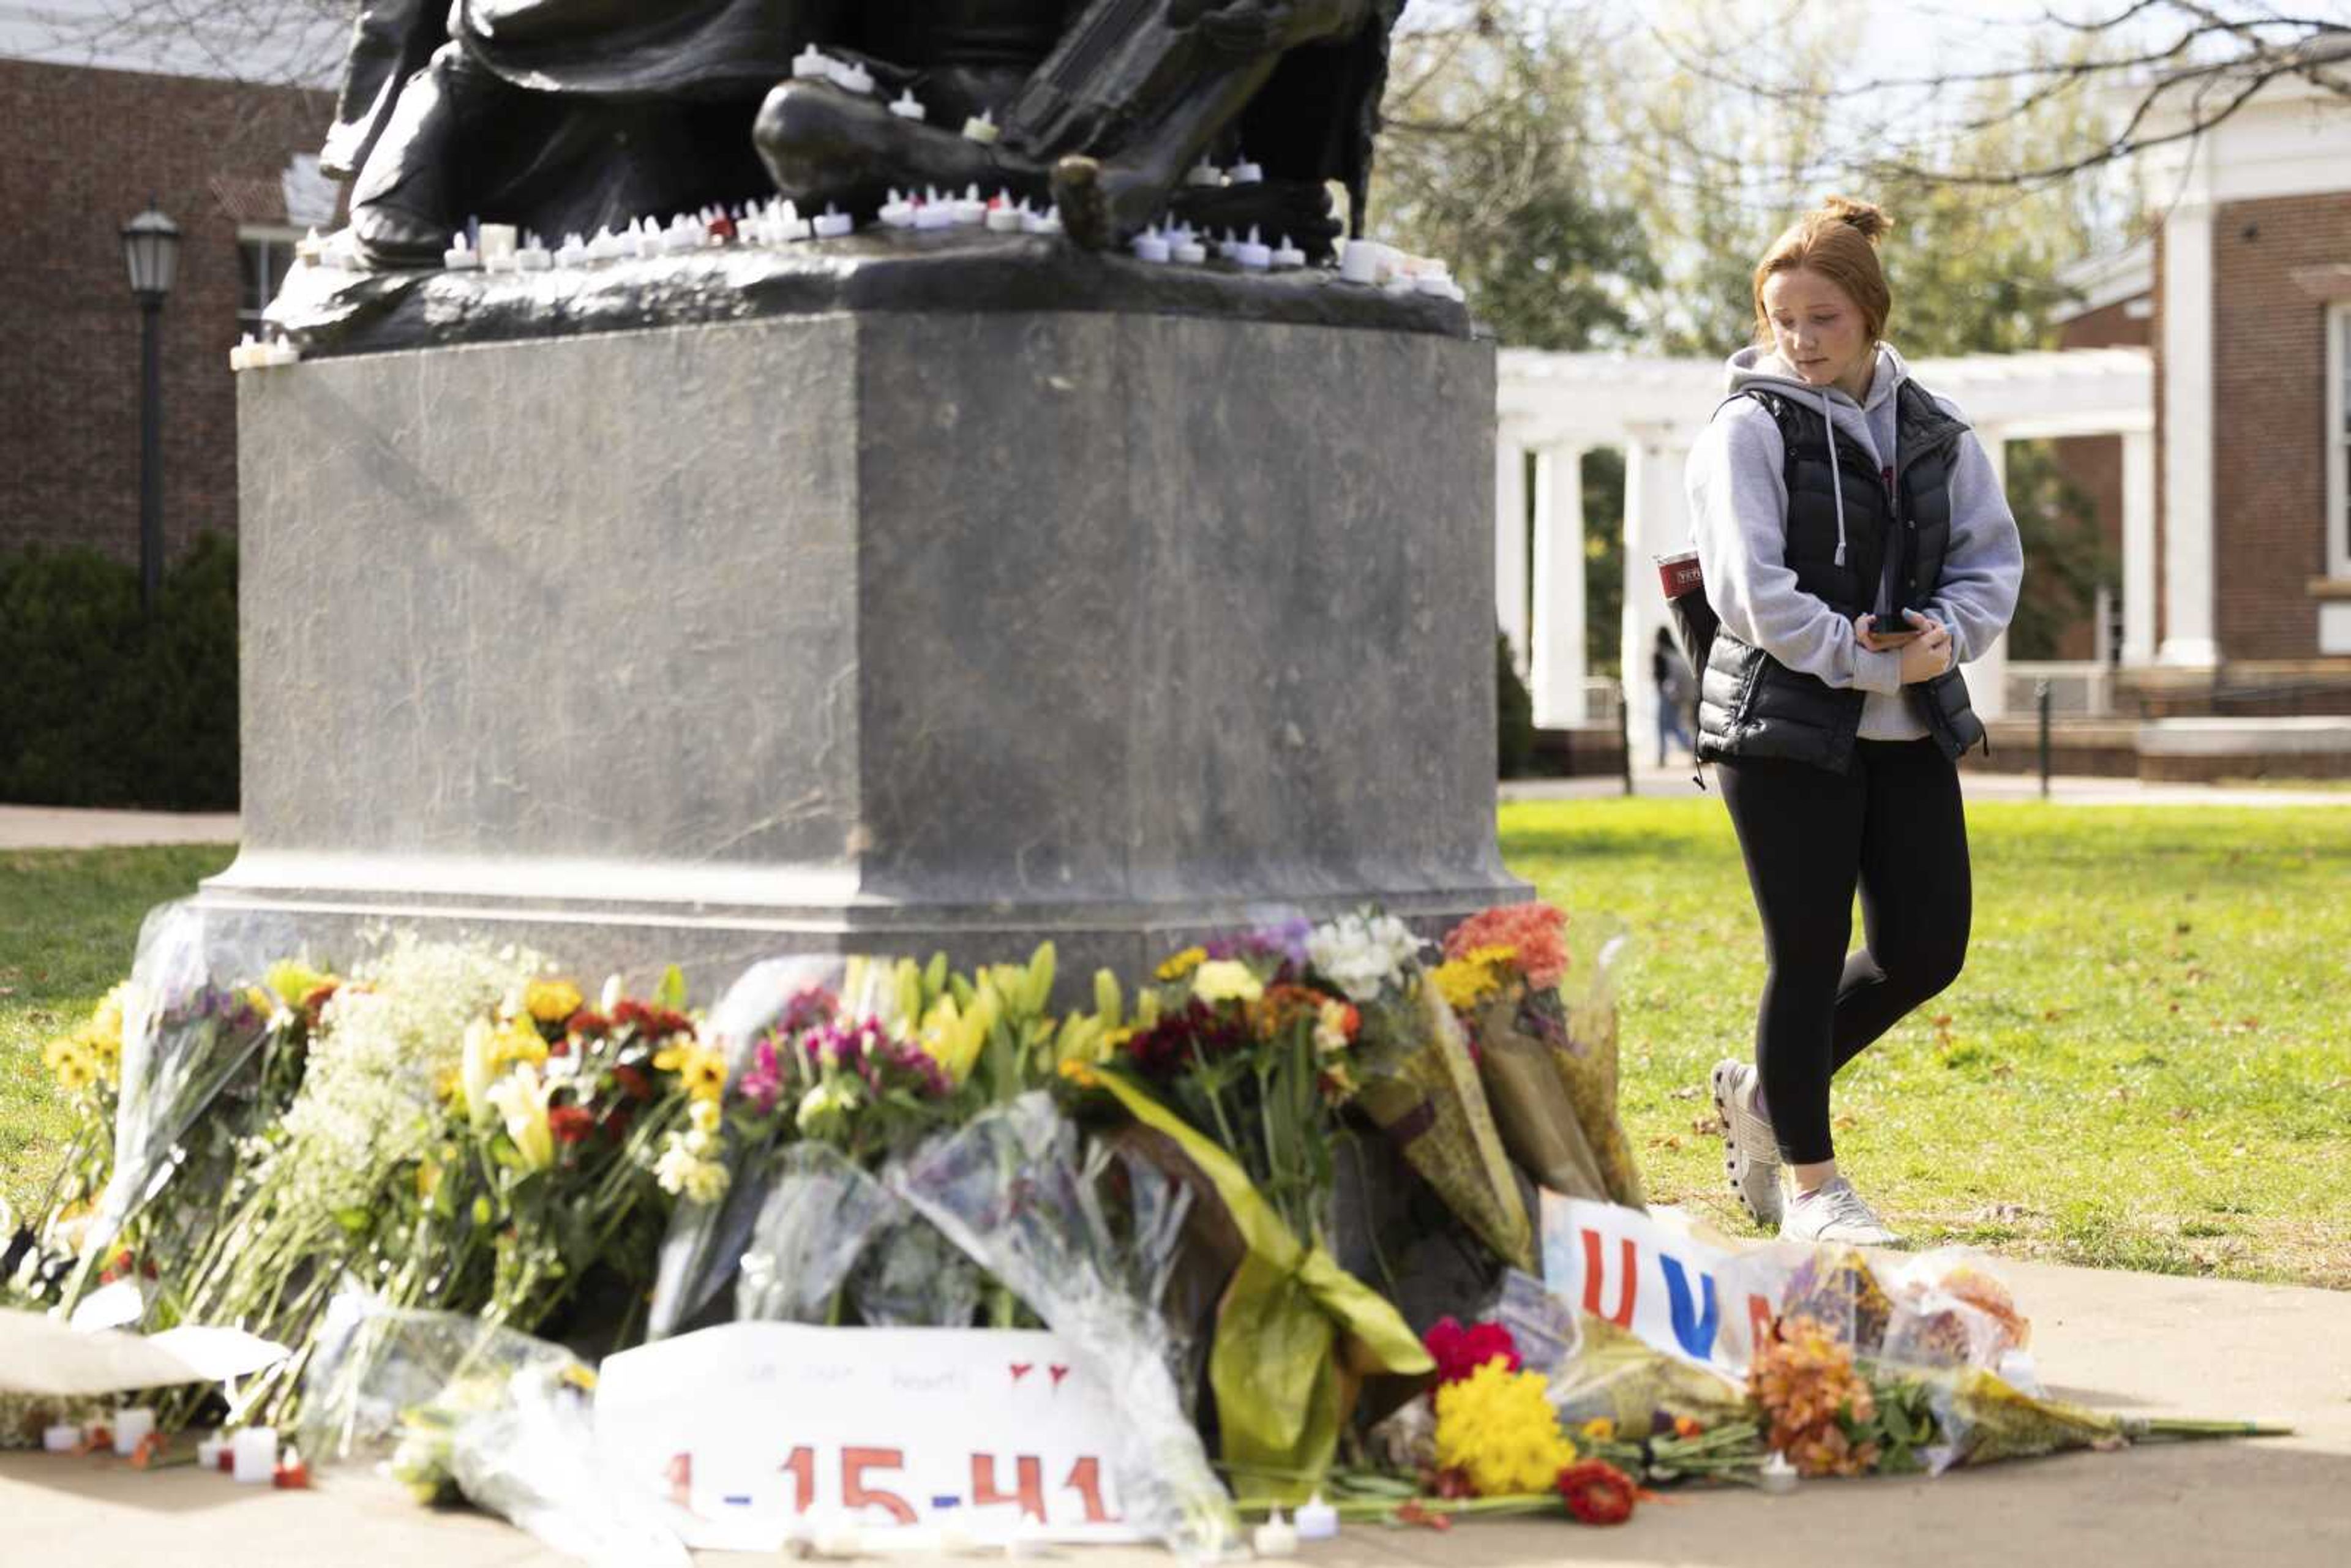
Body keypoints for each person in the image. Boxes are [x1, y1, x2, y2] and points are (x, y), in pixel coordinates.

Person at [1682, 197, 2022, 1246]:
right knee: (1810, 944)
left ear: (1870, 313)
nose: (1801, 339)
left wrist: (1946, 640)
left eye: (1822, 317)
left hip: (1905, 722)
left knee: (1928, 947)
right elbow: (1751, 591)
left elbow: (1989, 560)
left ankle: (1766, 1096)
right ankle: (1818, 1191)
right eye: (1784, 318)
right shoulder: (1748, 426)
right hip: (1780, 723)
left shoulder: (1935, 426)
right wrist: (1852, 656)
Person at [1651, 626, 1695, 766]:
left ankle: (1665, 755)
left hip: (1668, 695)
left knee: (1667, 727)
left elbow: (1660, 678)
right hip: (1680, 694)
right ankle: (1692, 751)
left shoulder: (1660, 654)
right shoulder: (1675, 652)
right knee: (1673, 726)